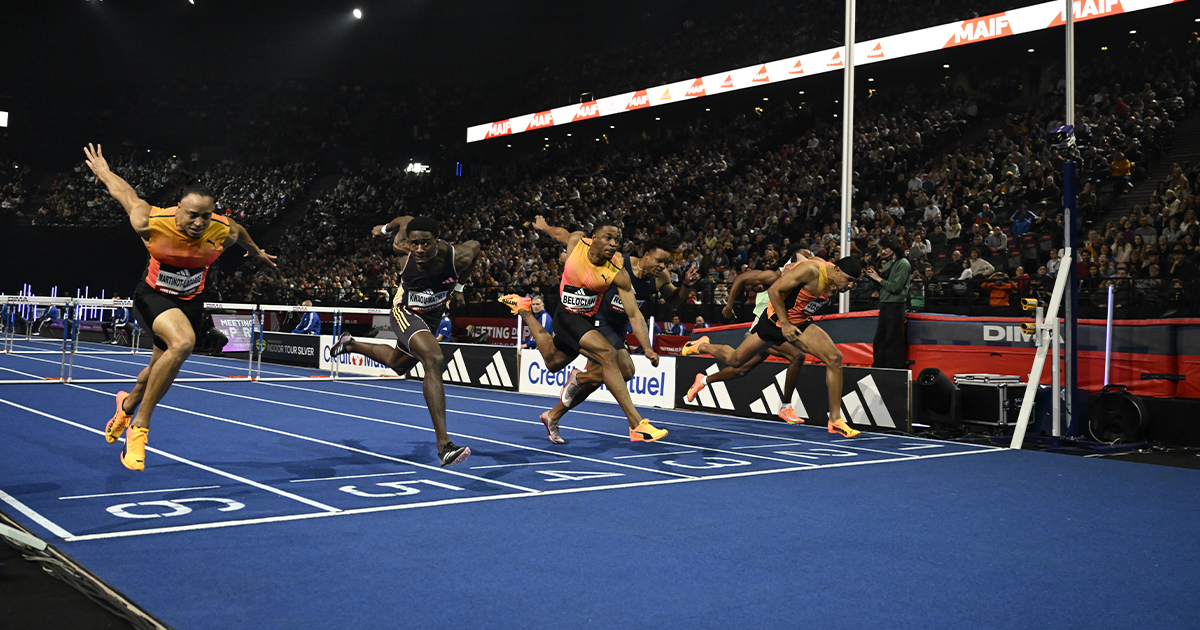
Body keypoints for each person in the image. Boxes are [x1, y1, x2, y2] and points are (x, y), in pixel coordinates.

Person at [85, 143, 277, 471]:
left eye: (206, 216)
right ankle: (139, 428)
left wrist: (255, 250)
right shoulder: (151, 221)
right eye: (192, 215)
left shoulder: (222, 228)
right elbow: (126, 193)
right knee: (184, 343)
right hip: (152, 296)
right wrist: (103, 172)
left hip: (189, 304)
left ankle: (126, 405)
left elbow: (239, 231)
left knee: (160, 367)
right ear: (177, 209)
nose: (200, 223)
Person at [500, 219, 667, 444]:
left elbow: (635, 314)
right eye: (607, 238)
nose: (612, 244)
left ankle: (526, 311)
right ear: (594, 238)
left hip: (586, 320)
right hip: (566, 315)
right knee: (608, 356)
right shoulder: (578, 242)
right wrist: (545, 227)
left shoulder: (617, 271)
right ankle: (636, 424)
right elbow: (561, 232)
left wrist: (646, 347)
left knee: (552, 361)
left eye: (616, 240)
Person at [329, 215, 478, 467]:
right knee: (434, 357)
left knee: (398, 365)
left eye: (426, 244)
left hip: (431, 317)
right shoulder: (402, 249)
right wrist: (386, 228)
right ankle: (444, 446)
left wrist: (461, 287)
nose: (419, 250)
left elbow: (475, 248)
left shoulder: (458, 256)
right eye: (414, 244)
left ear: (437, 241)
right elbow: (405, 219)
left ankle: (351, 343)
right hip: (405, 310)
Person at [684, 256, 865, 437]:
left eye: (854, 283)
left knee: (834, 358)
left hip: (799, 323)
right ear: (838, 270)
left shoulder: (830, 276)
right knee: (736, 361)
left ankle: (835, 419)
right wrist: (785, 324)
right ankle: (703, 345)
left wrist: (794, 265)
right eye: (849, 280)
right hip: (775, 322)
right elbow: (774, 290)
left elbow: (805, 257)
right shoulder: (811, 271)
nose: (850, 286)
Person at [690, 248, 812, 423]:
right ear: (794, 260)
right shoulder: (774, 276)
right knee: (797, 356)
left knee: (740, 369)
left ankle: (703, 378)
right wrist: (729, 306)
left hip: (775, 330)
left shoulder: (798, 283)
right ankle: (786, 407)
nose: (811, 261)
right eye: (806, 257)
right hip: (762, 330)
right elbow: (740, 278)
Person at [866, 237, 910, 370]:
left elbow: (895, 287)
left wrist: (878, 278)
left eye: (885, 248)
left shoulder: (903, 263)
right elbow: (882, 285)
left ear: (894, 247)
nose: (883, 251)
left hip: (895, 306)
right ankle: (879, 367)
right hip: (885, 304)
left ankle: (893, 369)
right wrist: (872, 277)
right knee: (880, 340)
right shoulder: (889, 263)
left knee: (893, 340)